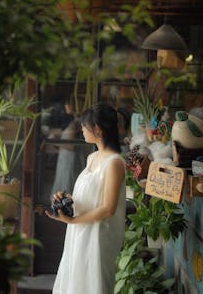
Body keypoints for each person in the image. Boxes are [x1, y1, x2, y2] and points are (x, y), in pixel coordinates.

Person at [45, 102, 127, 294]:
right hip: (80, 231)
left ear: (97, 129)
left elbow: (108, 208)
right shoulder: (93, 157)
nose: (81, 129)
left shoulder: (114, 163)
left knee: (92, 285)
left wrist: (73, 220)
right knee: (75, 283)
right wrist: (66, 199)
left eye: (84, 125)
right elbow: (91, 196)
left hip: (98, 236)